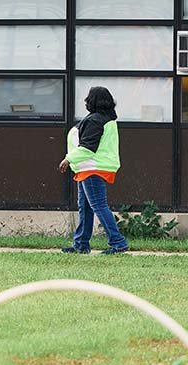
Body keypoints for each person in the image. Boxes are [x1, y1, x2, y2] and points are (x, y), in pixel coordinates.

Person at [59, 86, 129, 256]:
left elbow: (88, 148)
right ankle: (81, 244)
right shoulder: (107, 119)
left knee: (98, 205)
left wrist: (69, 159)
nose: (85, 101)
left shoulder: (96, 120)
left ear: (93, 101)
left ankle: (118, 243)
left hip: (92, 167)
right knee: (86, 207)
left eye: (88, 98)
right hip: (92, 167)